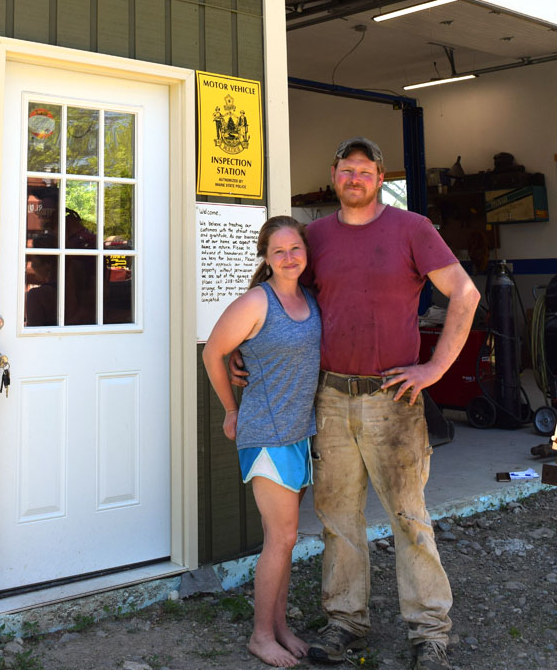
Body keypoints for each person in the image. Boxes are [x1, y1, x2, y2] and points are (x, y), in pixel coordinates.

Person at [231, 138, 480, 670]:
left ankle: (430, 632)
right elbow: (280, 295)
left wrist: (434, 369)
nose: (354, 179)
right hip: (329, 398)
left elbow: (465, 293)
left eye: (364, 171)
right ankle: (346, 624)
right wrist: (250, 354)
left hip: (393, 398)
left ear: (379, 176)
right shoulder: (314, 236)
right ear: (334, 174)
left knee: (409, 517)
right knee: (338, 517)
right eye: (346, 171)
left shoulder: (413, 229)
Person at [203, 216, 321, 668]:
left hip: (299, 432)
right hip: (266, 433)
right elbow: (213, 351)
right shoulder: (257, 301)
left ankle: (280, 627)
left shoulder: (308, 298)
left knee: (287, 540)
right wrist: (231, 409)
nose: (289, 257)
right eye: (278, 251)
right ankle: (259, 636)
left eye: (296, 249)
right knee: (282, 536)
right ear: (266, 258)